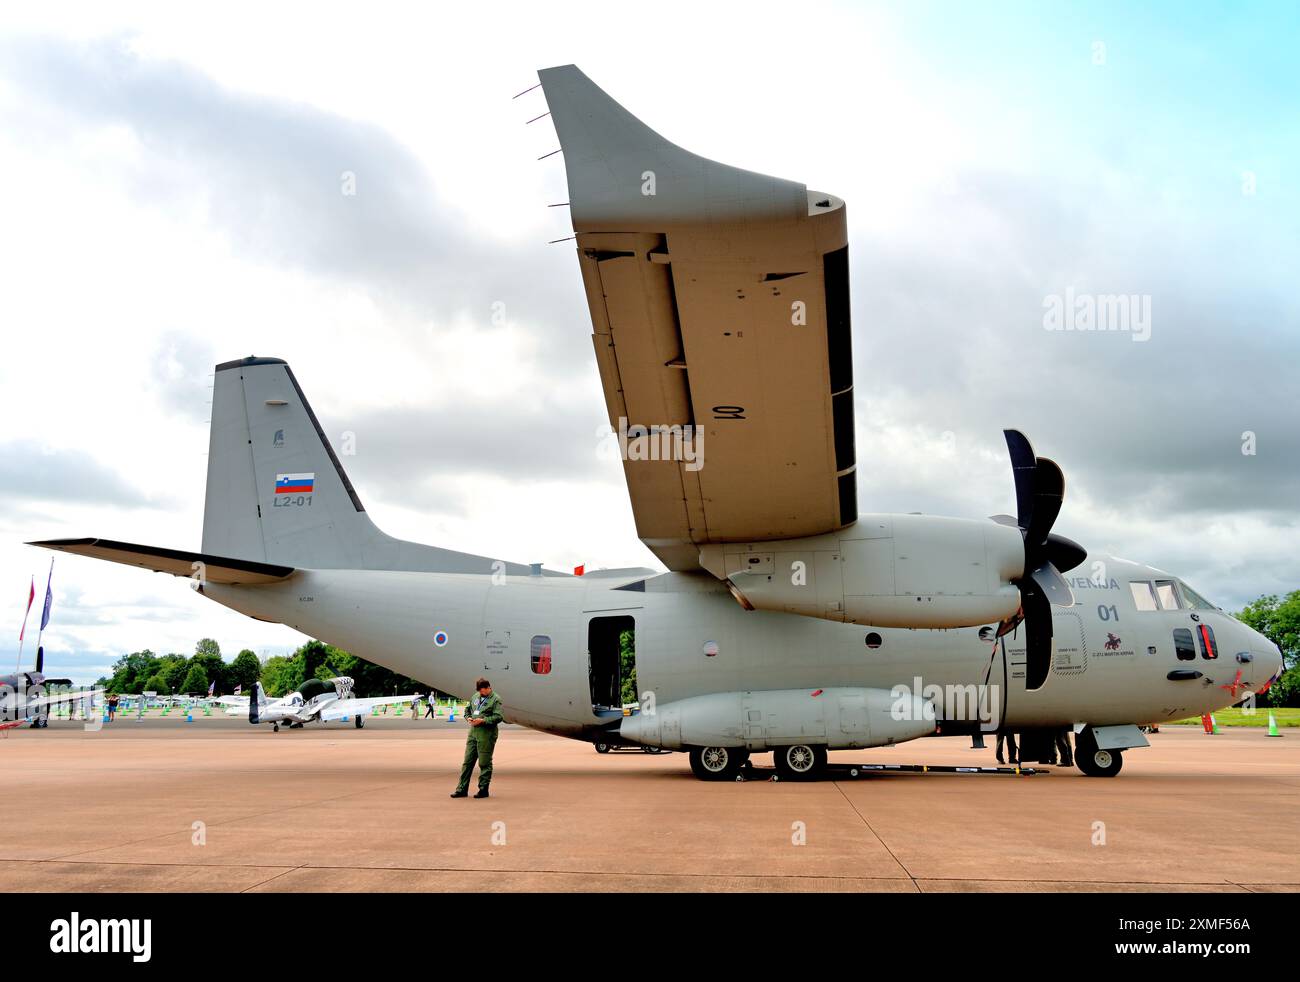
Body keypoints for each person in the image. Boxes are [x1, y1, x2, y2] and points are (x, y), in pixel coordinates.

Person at [450, 679, 503, 799]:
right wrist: (468, 718)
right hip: (473, 733)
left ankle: (483, 789)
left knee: (484, 763)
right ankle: (461, 789)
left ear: (488, 688)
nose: (480, 693)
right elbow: (467, 710)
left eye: (482, 691)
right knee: (467, 762)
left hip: (486, 734)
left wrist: (483, 720)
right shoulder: (475, 696)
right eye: (479, 691)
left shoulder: (496, 699)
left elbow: (499, 716)